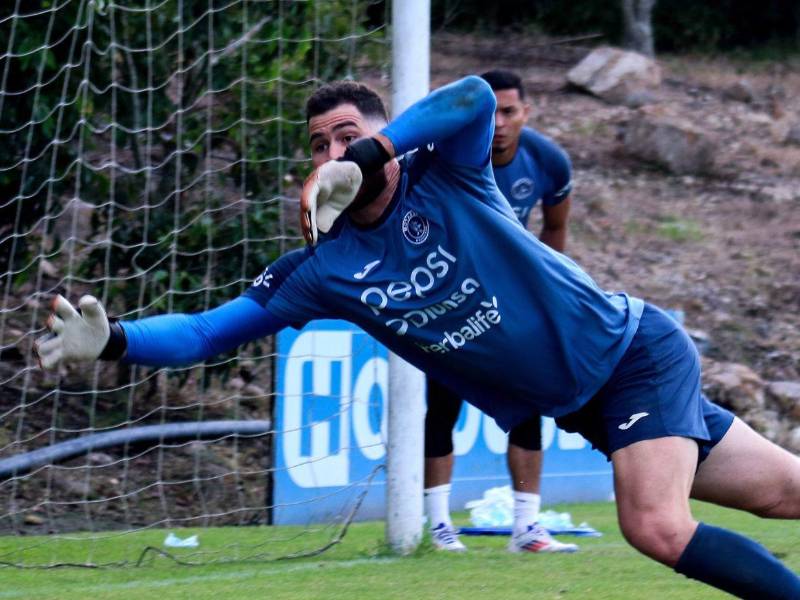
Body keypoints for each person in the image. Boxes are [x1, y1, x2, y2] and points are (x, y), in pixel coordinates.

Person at [35, 76, 800, 599]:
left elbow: (469, 97)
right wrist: (115, 341)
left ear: (383, 139)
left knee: (655, 526)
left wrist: (377, 152)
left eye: (349, 135)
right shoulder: (322, 269)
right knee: (782, 492)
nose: (334, 152)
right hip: (588, 407)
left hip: (632, 354)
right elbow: (205, 333)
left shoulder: (448, 171)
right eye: (320, 144)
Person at [423, 69, 575, 554]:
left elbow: (555, 228)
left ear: (526, 112)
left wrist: (546, 287)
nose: (501, 123)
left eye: (510, 111)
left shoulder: (548, 162)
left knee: (528, 406)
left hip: (511, 304)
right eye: (491, 113)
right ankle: (436, 525)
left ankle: (526, 528)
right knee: (443, 407)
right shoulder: (445, 158)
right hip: (448, 301)